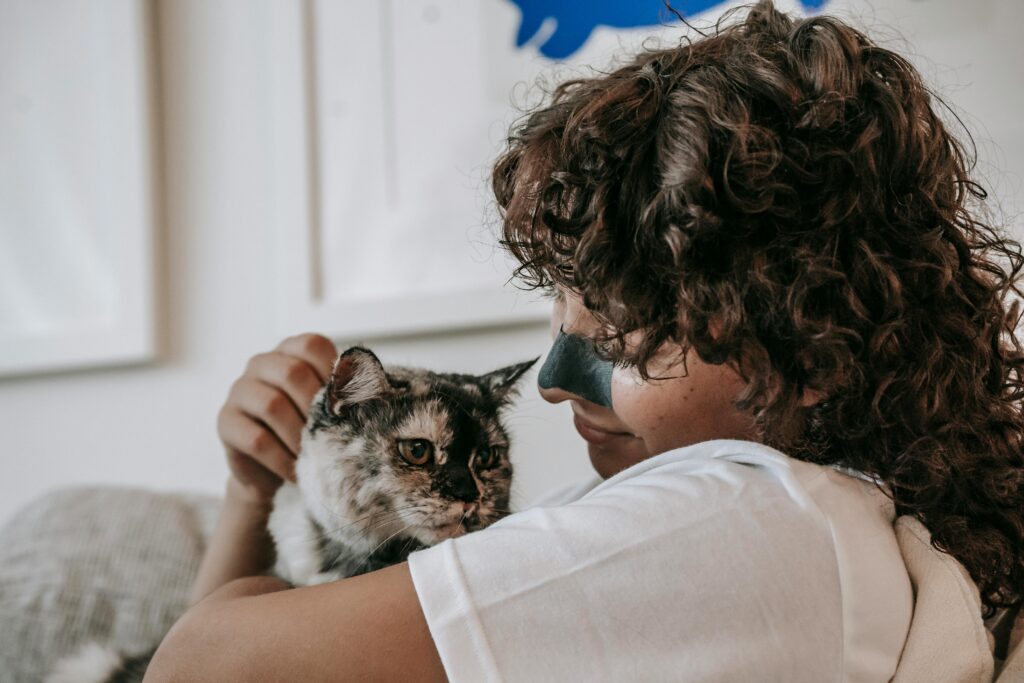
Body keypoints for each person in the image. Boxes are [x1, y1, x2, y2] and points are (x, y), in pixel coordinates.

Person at [145, 1, 1024, 680]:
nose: (559, 381)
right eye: (562, 312)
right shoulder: (845, 515)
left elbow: (198, 665)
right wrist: (255, 484)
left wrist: (251, 509)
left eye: (624, 333)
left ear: (815, 351)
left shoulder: (744, 517)